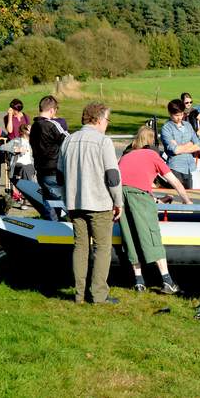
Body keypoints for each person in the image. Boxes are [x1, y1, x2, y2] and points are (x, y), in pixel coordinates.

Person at [59, 102, 123, 305]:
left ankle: (78, 295)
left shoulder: (68, 140)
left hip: (74, 202)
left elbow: (59, 176)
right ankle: (98, 295)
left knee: (80, 247)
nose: (107, 124)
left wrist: (65, 197)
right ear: (98, 119)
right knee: (102, 248)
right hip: (99, 202)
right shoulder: (103, 141)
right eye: (107, 119)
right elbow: (113, 177)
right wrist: (118, 201)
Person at [119, 126, 193, 294]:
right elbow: (173, 181)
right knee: (152, 235)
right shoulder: (152, 155)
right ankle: (167, 280)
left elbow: (130, 185)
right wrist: (187, 201)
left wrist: (157, 200)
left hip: (120, 197)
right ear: (152, 141)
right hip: (137, 197)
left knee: (130, 237)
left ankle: (139, 281)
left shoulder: (126, 156)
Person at [31, 95, 69, 221]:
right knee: (63, 205)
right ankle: (65, 231)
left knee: (49, 205)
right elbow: (70, 141)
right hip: (54, 171)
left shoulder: (34, 126)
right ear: (52, 110)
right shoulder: (52, 125)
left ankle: (52, 229)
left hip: (41, 172)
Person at [160, 98, 200, 189]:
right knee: (176, 197)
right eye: (176, 115)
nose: (180, 117)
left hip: (189, 167)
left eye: (182, 114)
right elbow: (174, 150)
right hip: (175, 168)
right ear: (170, 114)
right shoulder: (166, 128)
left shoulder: (188, 125)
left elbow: (198, 145)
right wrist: (189, 144)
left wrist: (180, 147)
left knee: (189, 196)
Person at [0, 123, 36, 210]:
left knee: (27, 168)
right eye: (29, 129)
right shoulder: (16, 141)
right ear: (24, 131)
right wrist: (16, 149)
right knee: (24, 168)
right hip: (18, 165)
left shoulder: (34, 142)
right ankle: (25, 199)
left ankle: (25, 198)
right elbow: (1, 147)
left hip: (30, 165)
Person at [3, 99, 30, 203]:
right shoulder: (7, 117)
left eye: (16, 110)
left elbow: (29, 131)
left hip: (24, 144)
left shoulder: (26, 117)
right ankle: (15, 193)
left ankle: (24, 193)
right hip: (13, 146)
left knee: (25, 168)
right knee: (14, 169)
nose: (15, 112)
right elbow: (9, 131)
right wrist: (10, 116)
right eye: (14, 110)